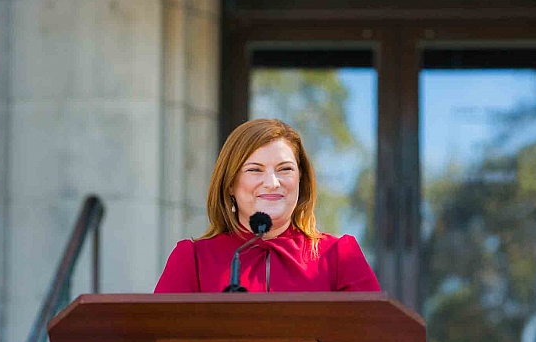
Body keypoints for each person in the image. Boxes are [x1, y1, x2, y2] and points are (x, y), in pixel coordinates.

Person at [155, 118, 380, 293]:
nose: (272, 183)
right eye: (255, 170)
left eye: (285, 169)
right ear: (230, 184)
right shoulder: (193, 259)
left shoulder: (339, 256)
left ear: (301, 179)